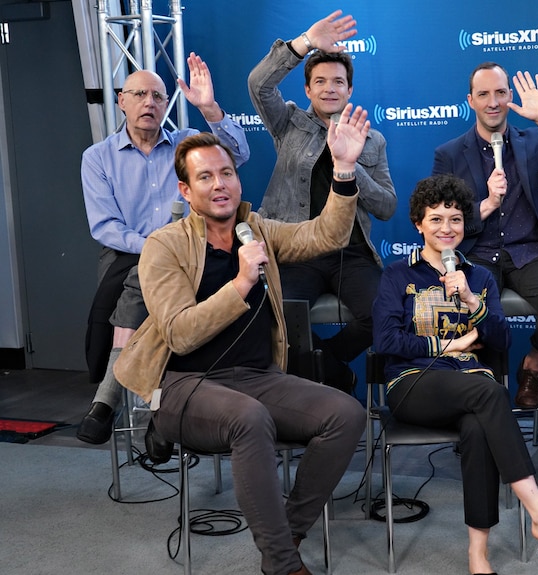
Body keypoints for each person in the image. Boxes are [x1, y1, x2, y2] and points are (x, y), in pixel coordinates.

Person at [113, 104, 370, 575]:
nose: (220, 184)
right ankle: (282, 563)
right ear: (186, 191)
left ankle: (287, 528)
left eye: (227, 173)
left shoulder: (259, 232)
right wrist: (241, 284)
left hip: (254, 377)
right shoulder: (163, 246)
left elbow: (327, 235)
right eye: (206, 177)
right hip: (182, 385)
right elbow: (180, 333)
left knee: (345, 413)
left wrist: (345, 170)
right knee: (249, 419)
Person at [372, 174, 538, 575]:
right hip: (411, 385)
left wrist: (471, 300)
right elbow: (386, 339)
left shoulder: (478, 277)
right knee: (489, 393)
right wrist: (451, 346)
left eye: (456, 219)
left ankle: (478, 557)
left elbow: (499, 341)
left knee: (480, 425)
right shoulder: (397, 275)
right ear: (418, 224)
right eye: (437, 219)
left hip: (472, 387)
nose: (447, 228)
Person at [77, 54, 251, 445]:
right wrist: (158, 247)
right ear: (121, 100)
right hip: (126, 255)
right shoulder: (98, 158)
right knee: (153, 284)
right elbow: (105, 227)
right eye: (139, 94)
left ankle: (107, 400)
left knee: (150, 286)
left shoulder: (186, 143)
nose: (149, 103)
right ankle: (161, 418)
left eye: (158, 95)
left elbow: (238, 155)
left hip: (193, 251)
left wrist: (209, 108)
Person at [248, 9, 396, 393]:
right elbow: (258, 84)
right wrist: (304, 43)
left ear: (349, 90)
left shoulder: (371, 139)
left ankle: (327, 366)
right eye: (320, 82)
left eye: (339, 82)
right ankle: (332, 378)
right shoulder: (288, 123)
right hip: (298, 250)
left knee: (385, 314)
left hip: (352, 252)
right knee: (278, 320)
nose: (330, 88)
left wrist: (349, 159)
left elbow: (386, 206)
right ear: (308, 90)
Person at [432, 62, 538, 409]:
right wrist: (485, 204)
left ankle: (531, 366)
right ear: (470, 100)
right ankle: (483, 403)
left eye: (500, 93)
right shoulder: (450, 154)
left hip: (529, 251)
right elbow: (436, 218)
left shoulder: (532, 140)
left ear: (510, 97)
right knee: (473, 315)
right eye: (483, 94)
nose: (493, 102)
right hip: (477, 252)